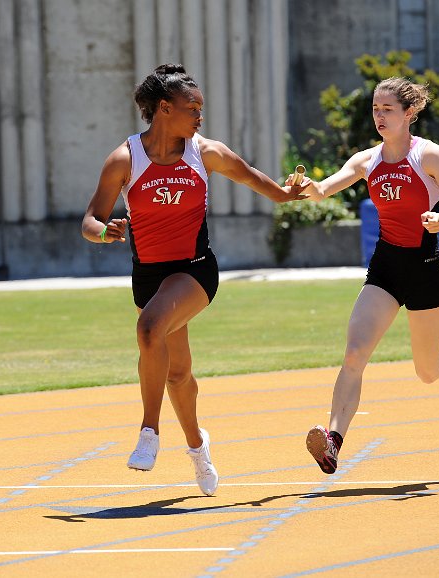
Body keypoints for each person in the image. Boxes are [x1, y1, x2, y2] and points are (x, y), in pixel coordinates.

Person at [82, 64, 305, 494]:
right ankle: (198, 447)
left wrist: (287, 193)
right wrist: (103, 232)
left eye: (201, 108)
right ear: (165, 108)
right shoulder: (125, 159)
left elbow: (252, 177)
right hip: (148, 276)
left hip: (195, 270)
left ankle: (149, 433)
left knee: (149, 329)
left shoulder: (205, 152)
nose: (200, 116)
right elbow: (90, 218)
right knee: (178, 374)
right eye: (193, 107)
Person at [288, 77, 439, 475]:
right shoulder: (367, 160)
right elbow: (323, 189)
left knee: (428, 371)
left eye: (388, 109)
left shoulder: (431, 156)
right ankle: (333, 441)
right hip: (386, 268)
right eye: (375, 108)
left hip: (426, 270)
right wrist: (303, 187)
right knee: (354, 354)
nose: (379, 116)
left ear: (409, 113)